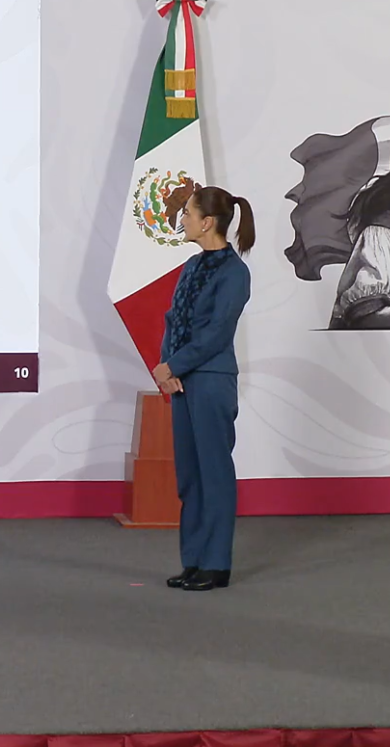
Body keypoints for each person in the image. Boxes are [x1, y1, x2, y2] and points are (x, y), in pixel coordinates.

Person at [151, 187, 255, 592]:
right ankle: (193, 560)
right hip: (183, 382)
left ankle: (216, 564)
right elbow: (173, 319)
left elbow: (217, 333)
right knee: (190, 476)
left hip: (211, 380)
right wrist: (168, 367)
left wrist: (174, 365)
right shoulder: (191, 266)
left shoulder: (235, 272)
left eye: (188, 214)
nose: (183, 220)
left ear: (207, 222)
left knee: (214, 472)